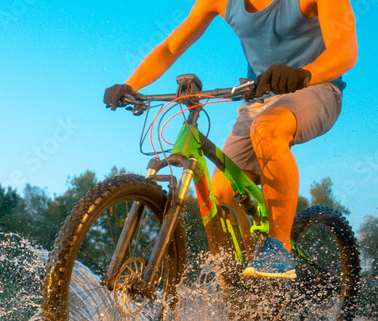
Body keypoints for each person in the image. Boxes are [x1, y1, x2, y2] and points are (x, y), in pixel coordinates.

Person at [104, 0, 357, 278]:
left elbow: (345, 50)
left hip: (317, 87)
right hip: (260, 97)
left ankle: (279, 248)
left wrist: (305, 73)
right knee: (222, 190)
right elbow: (169, 48)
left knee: (267, 129)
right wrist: (131, 84)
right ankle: (250, 282)